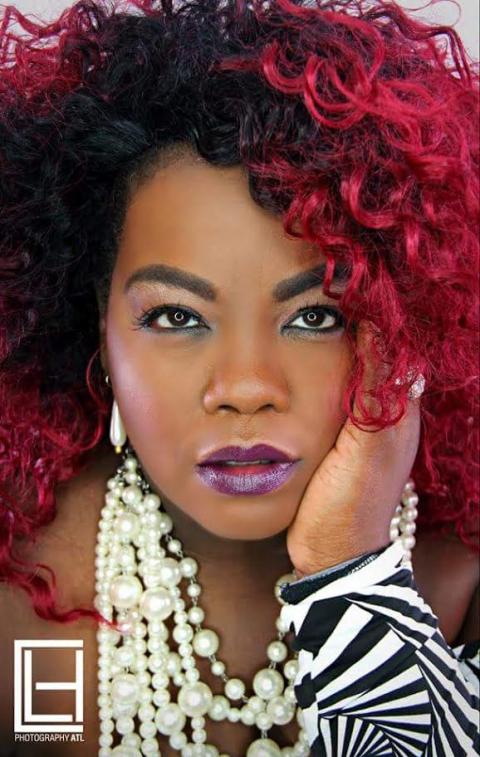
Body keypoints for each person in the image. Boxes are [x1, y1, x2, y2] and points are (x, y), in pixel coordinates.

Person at [0, 0, 478, 755]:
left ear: (401, 326)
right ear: (99, 326)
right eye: (177, 316)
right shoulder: (29, 606)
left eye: (315, 316)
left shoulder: (462, 586)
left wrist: (350, 566)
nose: (247, 386)